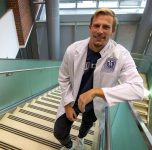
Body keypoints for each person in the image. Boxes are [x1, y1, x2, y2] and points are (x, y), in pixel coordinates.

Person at [53, 8, 144, 150]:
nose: (100, 31)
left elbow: (138, 89)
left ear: (113, 30)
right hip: (73, 99)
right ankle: (70, 147)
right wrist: (67, 105)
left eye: (106, 27)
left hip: (95, 103)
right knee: (59, 131)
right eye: (96, 25)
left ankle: (80, 140)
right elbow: (63, 78)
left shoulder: (121, 55)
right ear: (90, 28)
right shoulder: (73, 50)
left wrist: (97, 91)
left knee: (86, 125)